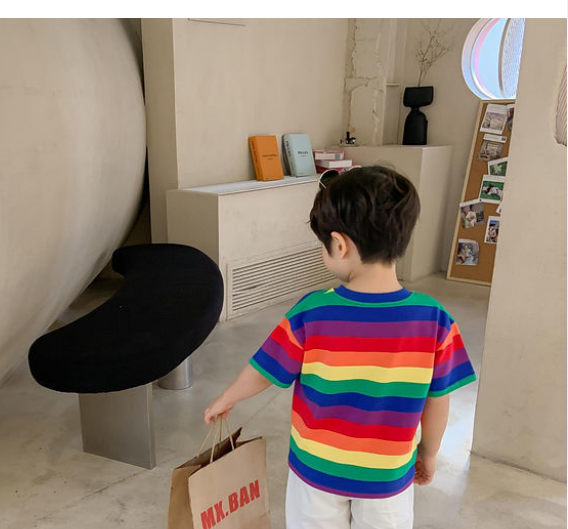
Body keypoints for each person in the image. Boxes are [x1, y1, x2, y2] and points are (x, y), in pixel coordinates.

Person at [204, 166, 477, 529]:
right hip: (387, 475)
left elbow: (266, 368)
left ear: (340, 244)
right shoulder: (435, 320)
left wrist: (227, 397)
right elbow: (438, 399)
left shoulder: (312, 311)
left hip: (316, 471)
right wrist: (428, 453)